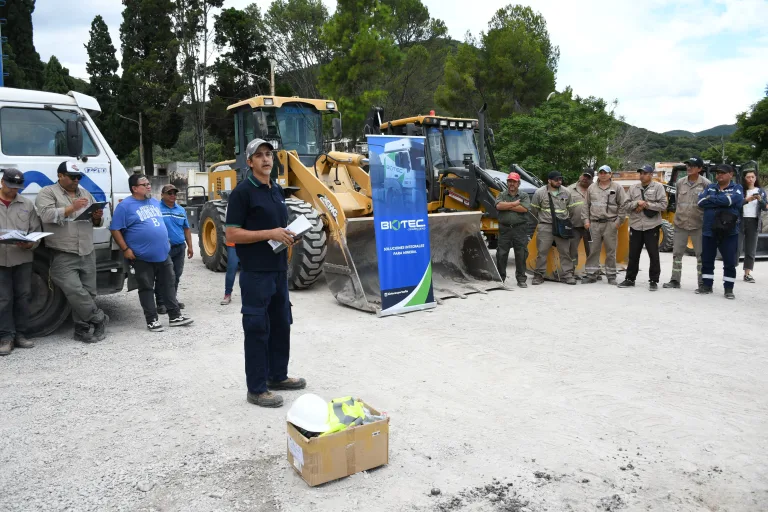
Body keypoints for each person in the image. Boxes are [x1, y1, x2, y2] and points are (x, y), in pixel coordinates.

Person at [225, 138, 306, 408]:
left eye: (269, 154)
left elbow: (277, 228)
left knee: (281, 325)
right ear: (249, 162)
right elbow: (232, 233)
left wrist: (288, 235)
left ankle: (277, 376)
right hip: (256, 273)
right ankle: (257, 389)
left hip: (278, 270)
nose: (266, 159)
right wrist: (270, 234)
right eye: (259, 155)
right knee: (257, 328)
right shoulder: (242, 193)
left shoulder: (276, 190)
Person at [36, 160, 109, 343]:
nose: (77, 180)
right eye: (73, 176)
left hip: (86, 249)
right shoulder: (48, 192)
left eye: (79, 177)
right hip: (63, 250)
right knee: (75, 290)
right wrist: (71, 208)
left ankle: (82, 329)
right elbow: (45, 215)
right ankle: (99, 317)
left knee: (89, 291)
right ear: (60, 176)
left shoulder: (85, 193)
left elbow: (95, 223)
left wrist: (97, 217)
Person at [109, 174, 194, 331]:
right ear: (134, 188)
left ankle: (174, 315)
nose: (148, 186)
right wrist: (125, 249)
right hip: (142, 256)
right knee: (147, 287)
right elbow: (115, 229)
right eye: (144, 184)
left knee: (169, 283)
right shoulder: (125, 206)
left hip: (163, 253)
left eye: (148, 183)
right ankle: (152, 320)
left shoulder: (154, 202)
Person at [0, 169, 41, 355]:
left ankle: (21, 335)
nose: (13, 191)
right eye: (10, 187)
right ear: (2, 182)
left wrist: (30, 244)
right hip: (0, 259)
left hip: (22, 258)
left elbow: (35, 231)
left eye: (17, 187)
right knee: (4, 299)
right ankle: (6, 337)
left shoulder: (27, 204)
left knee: (23, 297)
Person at [663, 157, 710, 289]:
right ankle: (675, 280)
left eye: (693, 166)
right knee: (677, 254)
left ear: (700, 169)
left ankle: (702, 283)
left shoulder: (706, 184)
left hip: (698, 225)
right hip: (680, 224)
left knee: (700, 256)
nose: (689, 168)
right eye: (688, 165)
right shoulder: (680, 183)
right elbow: (678, 201)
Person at [619, 164, 668, 291]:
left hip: (651, 226)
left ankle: (653, 281)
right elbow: (625, 205)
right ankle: (630, 279)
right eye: (641, 173)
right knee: (633, 254)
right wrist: (637, 202)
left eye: (645, 173)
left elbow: (663, 205)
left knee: (653, 254)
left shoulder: (658, 187)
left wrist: (646, 204)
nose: (642, 175)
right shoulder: (633, 188)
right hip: (636, 225)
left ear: (651, 175)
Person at [697, 164, 744, 299]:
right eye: (717, 173)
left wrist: (711, 199)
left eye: (722, 173)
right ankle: (707, 285)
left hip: (729, 232)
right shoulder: (710, 187)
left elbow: (732, 200)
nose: (719, 175)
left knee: (729, 261)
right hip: (709, 230)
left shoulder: (737, 188)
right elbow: (700, 202)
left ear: (731, 174)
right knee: (707, 259)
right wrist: (722, 201)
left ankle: (728, 289)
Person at [582, 165, 628, 285]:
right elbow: (586, 205)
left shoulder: (617, 188)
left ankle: (611, 276)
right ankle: (591, 275)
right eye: (601, 172)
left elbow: (623, 205)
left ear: (610, 174)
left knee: (611, 251)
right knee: (593, 250)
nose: (603, 175)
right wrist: (586, 221)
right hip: (594, 224)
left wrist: (618, 222)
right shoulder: (591, 188)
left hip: (610, 224)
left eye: (605, 172)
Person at [530, 170, 577, 285]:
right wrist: (542, 222)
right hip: (545, 226)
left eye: (560, 179)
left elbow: (571, 209)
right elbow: (534, 210)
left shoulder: (566, 192)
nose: (559, 181)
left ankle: (568, 275)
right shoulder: (540, 192)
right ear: (549, 180)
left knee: (565, 251)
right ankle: (539, 275)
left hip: (562, 226)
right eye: (556, 179)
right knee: (542, 251)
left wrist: (564, 221)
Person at [155, 184, 193, 314]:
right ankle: (160, 303)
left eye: (174, 193)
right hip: (164, 248)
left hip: (179, 247)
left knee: (176, 275)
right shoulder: (156, 209)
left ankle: (172, 300)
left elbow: (186, 229)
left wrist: (190, 246)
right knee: (163, 275)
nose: (172, 196)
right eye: (169, 193)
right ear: (162, 195)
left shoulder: (181, 210)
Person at [495, 171, 532, 287]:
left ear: (518, 183)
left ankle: (521, 279)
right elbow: (498, 206)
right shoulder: (501, 194)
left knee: (521, 254)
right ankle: (500, 279)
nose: (512, 184)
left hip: (519, 229)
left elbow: (524, 209)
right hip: (504, 229)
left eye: (514, 182)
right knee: (501, 254)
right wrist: (515, 204)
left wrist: (507, 205)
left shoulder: (524, 195)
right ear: (507, 182)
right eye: (510, 181)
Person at [737, 169, 766, 283]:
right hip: (740, 221)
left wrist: (760, 200)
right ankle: (730, 269)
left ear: (755, 178)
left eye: (752, 177)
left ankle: (747, 273)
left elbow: (765, 207)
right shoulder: (740, 191)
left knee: (751, 249)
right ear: (744, 178)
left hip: (754, 221)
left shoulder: (761, 191)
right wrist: (747, 200)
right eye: (748, 177)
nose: (750, 179)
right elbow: (735, 205)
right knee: (736, 247)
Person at [567, 168, 593, 277]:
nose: (585, 179)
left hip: (591, 226)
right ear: (580, 176)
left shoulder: (595, 190)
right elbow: (563, 205)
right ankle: (571, 271)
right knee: (572, 249)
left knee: (592, 251)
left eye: (588, 177)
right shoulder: (569, 189)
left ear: (592, 179)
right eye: (584, 176)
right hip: (574, 225)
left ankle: (592, 272)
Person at [221, 205, 240, 305]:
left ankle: (248, 293)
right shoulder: (233, 204)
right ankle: (227, 294)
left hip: (249, 241)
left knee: (247, 270)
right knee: (232, 268)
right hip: (234, 243)